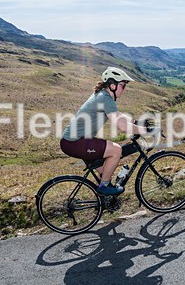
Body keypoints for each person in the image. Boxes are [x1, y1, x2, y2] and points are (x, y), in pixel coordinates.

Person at [60, 67, 151, 195]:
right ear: (113, 85)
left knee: (105, 171)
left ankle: (105, 200)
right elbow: (123, 126)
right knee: (117, 150)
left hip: (78, 141)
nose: (124, 89)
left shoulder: (103, 95)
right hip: (75, 143)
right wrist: (145, 130)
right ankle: (104, 187)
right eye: (123, 86)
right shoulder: (105, 98)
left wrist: (136, 122)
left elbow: (118, 116)